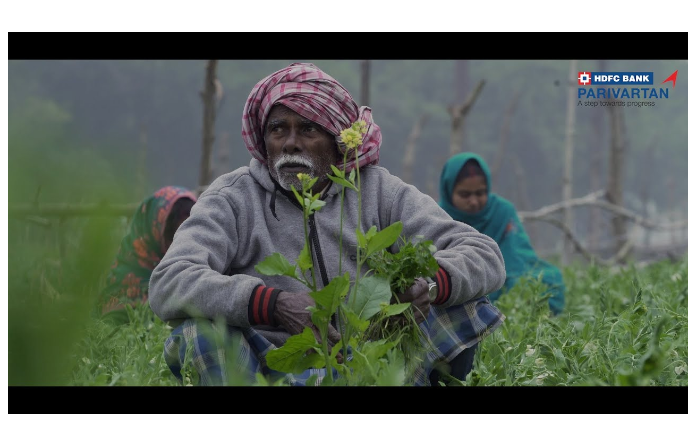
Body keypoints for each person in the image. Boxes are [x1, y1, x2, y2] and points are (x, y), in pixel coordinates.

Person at [149, 62, 507, 386]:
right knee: (200, 331)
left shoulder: (379, 190)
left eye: (307, 129)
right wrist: (270, 304)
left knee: (464, 300)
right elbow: (170, 281)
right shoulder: (233, 198)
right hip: (268, 370)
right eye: (278, 129)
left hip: (372, 367)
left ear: (338, 143)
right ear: (264, 139)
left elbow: (484, 255)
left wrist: (427, 287)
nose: (290, 143)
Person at [438, 152, 565, 315]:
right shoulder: (439, 217)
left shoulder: (502, 211)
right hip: (460, 281)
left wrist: (500, 278)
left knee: (549, 281)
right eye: (465, 195)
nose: (474, 201)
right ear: (449, 191)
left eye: (480, 193)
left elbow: (517, 256)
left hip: (505, 274)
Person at [100, 185, 197, 324]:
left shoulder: (201, 270)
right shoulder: (127, 279)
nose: (181, 247)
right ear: (154, 233)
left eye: (189, 237)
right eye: (174, 238)